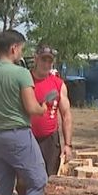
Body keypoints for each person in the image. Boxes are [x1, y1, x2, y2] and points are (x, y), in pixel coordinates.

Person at [0, 29, 49, 195]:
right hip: (18, 135)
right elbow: (31, 107)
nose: (21, 53)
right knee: (38, 181)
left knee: (2, 187)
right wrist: (42, 108)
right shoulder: (21, 73)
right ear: (13, 48)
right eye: (21, 49)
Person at [28, 44, 73, 176]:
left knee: (50, 177)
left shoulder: (58, 84)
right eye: (43, 60)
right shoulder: (25, 80)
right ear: (36, 58)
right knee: (27, 179)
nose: (46, 64)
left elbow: (66, 116)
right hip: (28, 137)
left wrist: (68, 145)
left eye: (50, 61)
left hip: (50, 139)